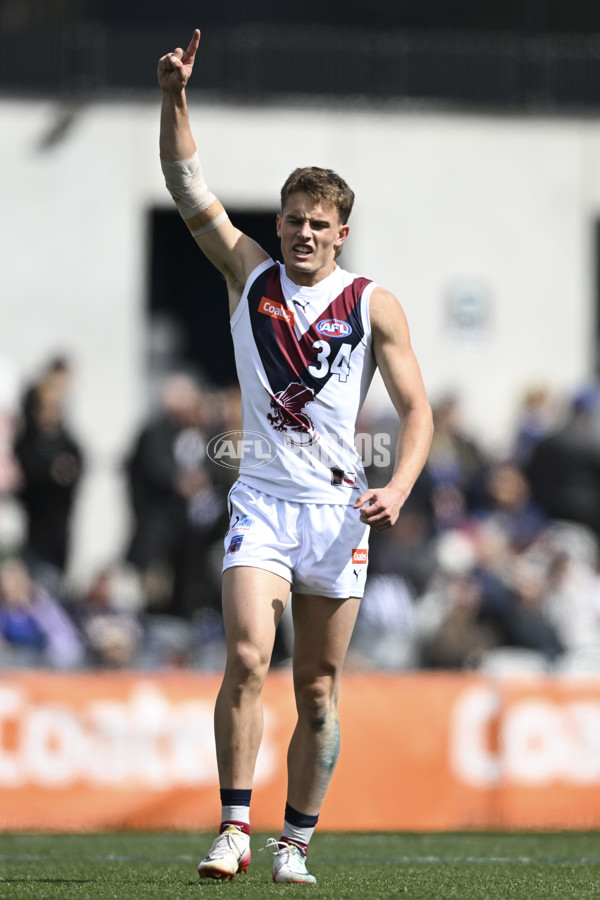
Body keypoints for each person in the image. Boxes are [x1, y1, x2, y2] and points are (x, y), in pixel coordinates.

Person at [157, 29, 433, 885]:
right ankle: (235, 828)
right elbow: (186, 184)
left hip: (340, 513)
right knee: (245, 654)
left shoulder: (370, 302)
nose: (303, 234)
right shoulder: (248, 276)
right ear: (276, 223)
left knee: (316, 689)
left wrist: (400, 483)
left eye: (319, 224)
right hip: (264, 503)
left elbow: (417, 409)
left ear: (341, 230)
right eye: (292, 221)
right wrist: (173, 97)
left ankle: (295, 842)